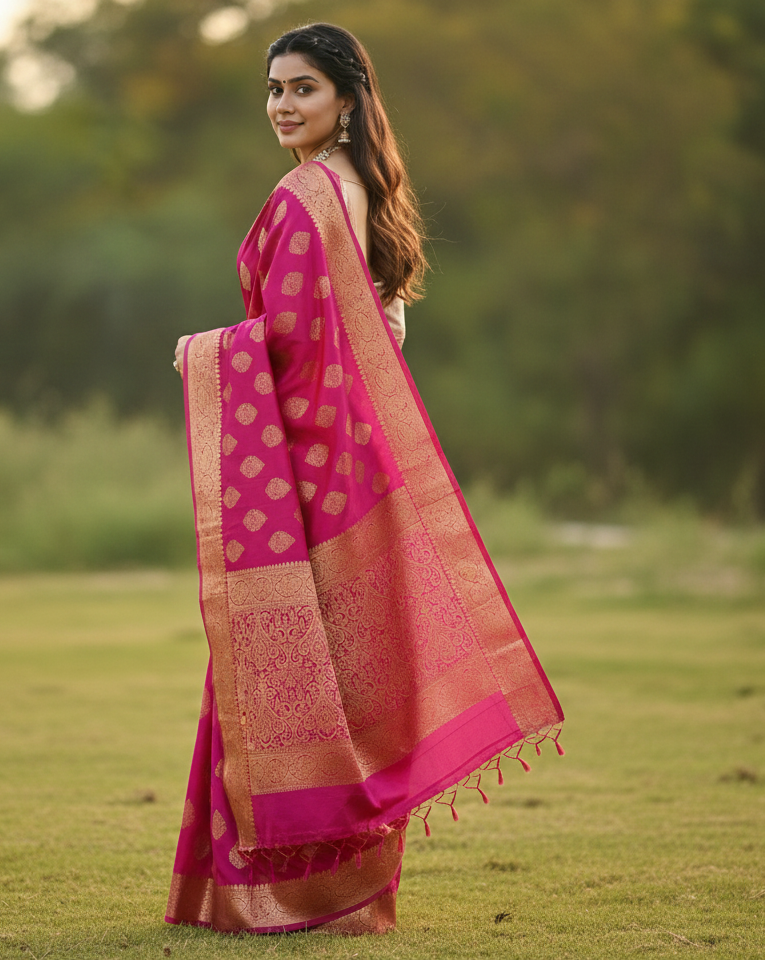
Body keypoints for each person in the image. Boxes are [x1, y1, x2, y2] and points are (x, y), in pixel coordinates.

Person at [166, 22, 563, 935]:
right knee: (341, 678)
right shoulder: (354, 191)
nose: (282, 106)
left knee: (293, 671)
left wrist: (200, 354)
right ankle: (337, 896)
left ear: (347, 99)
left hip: (312, 477)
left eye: (302, 88)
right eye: (272, 90)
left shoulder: (309, 195)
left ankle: (296, 899)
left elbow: (298, 340)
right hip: (346, 469)